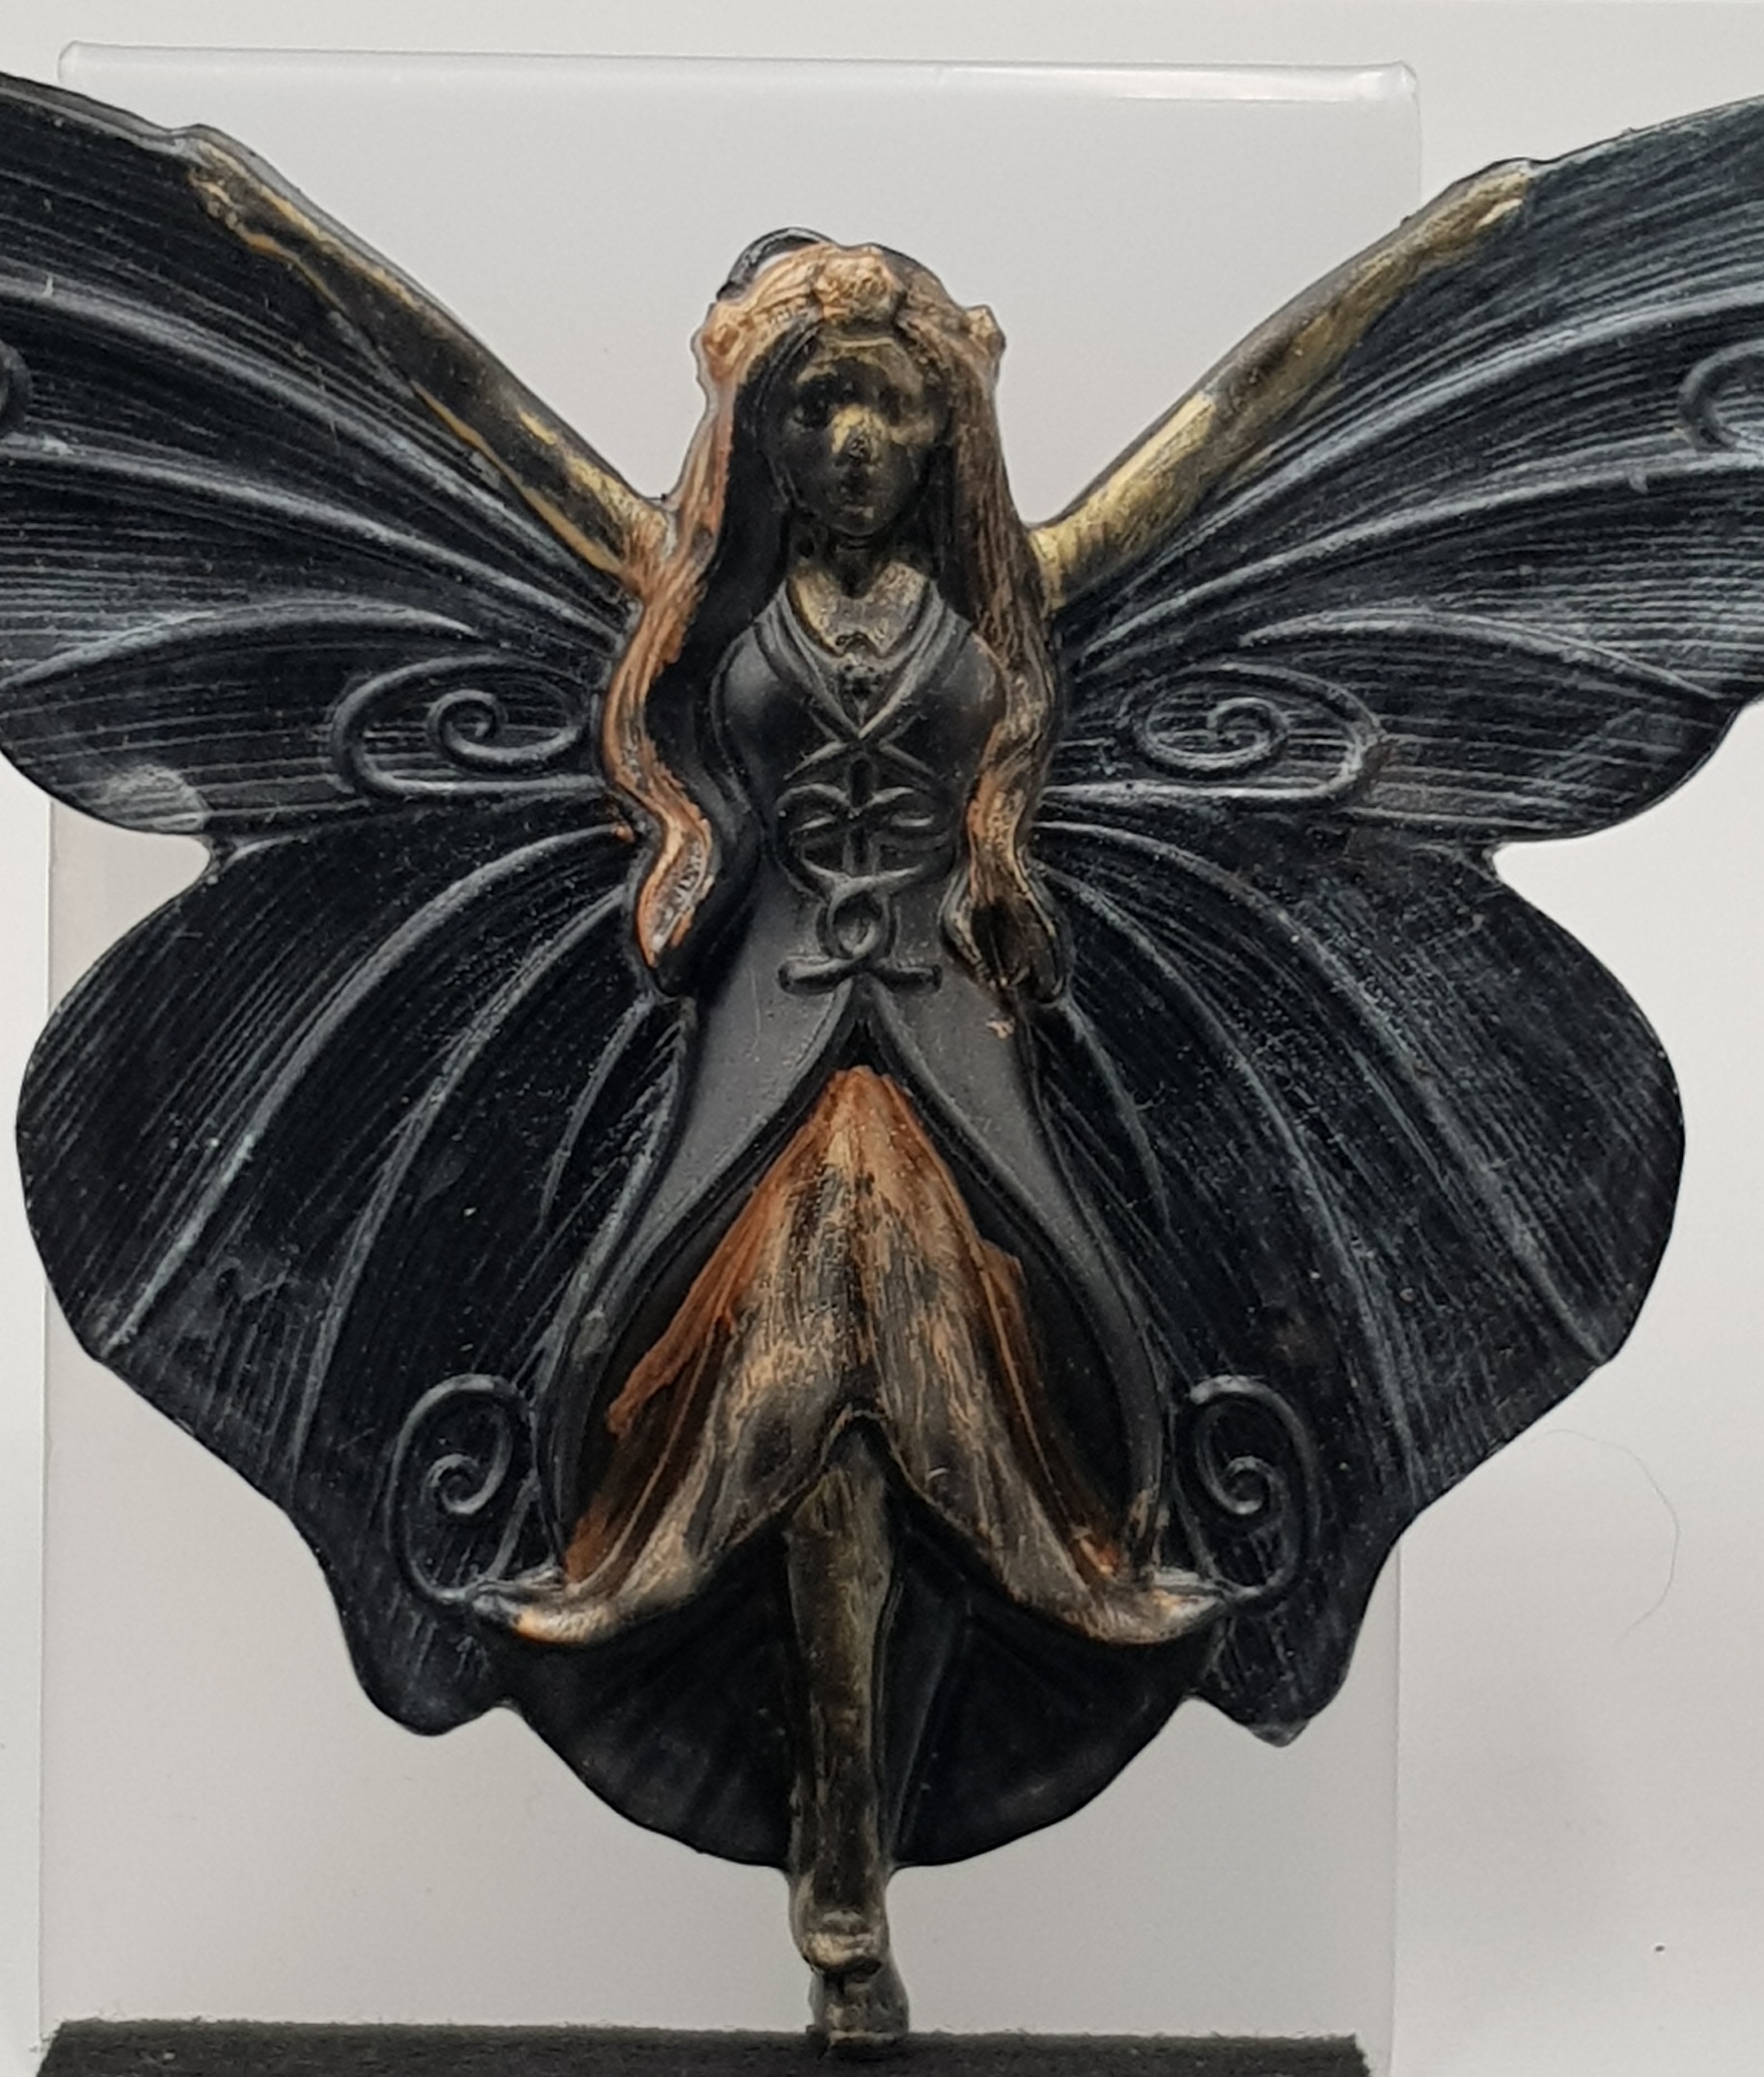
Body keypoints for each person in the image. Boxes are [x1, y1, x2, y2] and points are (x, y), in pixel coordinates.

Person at [188, 136, 1522, 2050]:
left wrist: (1428, 255)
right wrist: (289, 238)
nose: (856, 440)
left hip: (961, 1035)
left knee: (1048, 1385)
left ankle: (862, 1835)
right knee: (757, 1375)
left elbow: (1233, 423)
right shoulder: (683, 582)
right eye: (816, 406)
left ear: (945, 426)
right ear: (762, 430)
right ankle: (837, 1862)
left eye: (891, 404)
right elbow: (473, 404)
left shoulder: (1015, 592)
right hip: (756, 1035)